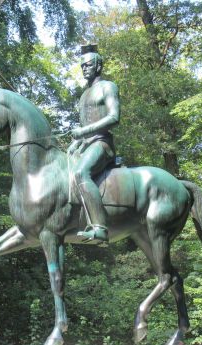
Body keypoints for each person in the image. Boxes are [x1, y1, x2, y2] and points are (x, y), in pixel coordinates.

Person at [68, 44, 120, 244]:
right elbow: (84, 126)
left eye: (88, 65)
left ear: (98, 66)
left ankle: (99, 227)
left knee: (81, 173)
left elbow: (114, 117)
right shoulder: (83, 96)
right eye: (82, 66)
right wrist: (77, 141)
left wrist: (84, 132)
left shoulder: (108, 87)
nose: (84, 69)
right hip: (86, 145)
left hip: (102, 144)